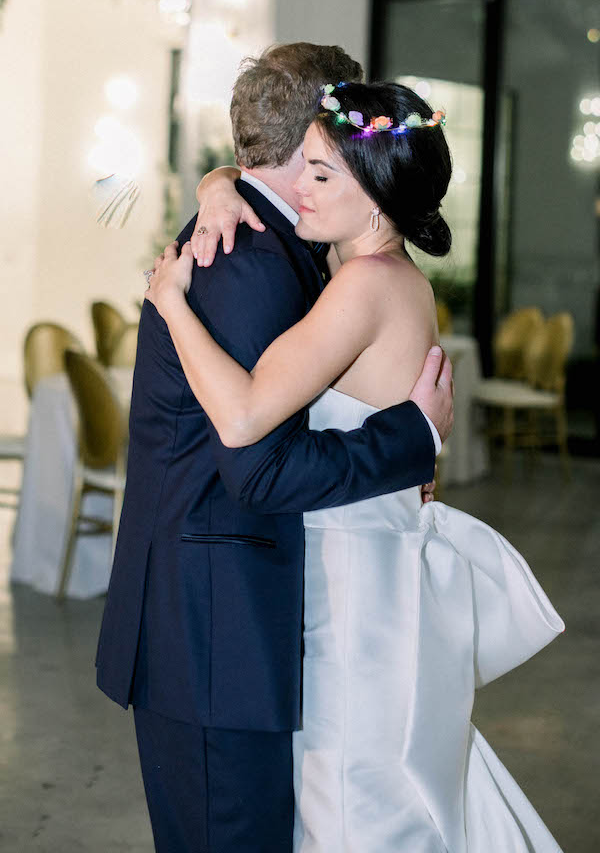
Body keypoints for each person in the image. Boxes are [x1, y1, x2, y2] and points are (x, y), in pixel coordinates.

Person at [146, 79, 565, 851]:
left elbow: (241, 418)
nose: (296, 188)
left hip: (350, 592)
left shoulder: (364, 287)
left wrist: (171, 304)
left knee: (350, 798)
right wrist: (217, 183)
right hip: (371, 571)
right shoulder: (391, 278)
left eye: (320, 174)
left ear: (375, 198)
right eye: (303, 165)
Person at [95, 44, 453, 853]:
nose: (326, 172)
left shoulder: (291, 241)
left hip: (229, 621)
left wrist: (217, 181)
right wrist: (412, 440)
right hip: (216, 627)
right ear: (309, 151)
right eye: (322, 159)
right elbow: (257, 465)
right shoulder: (256, 257)